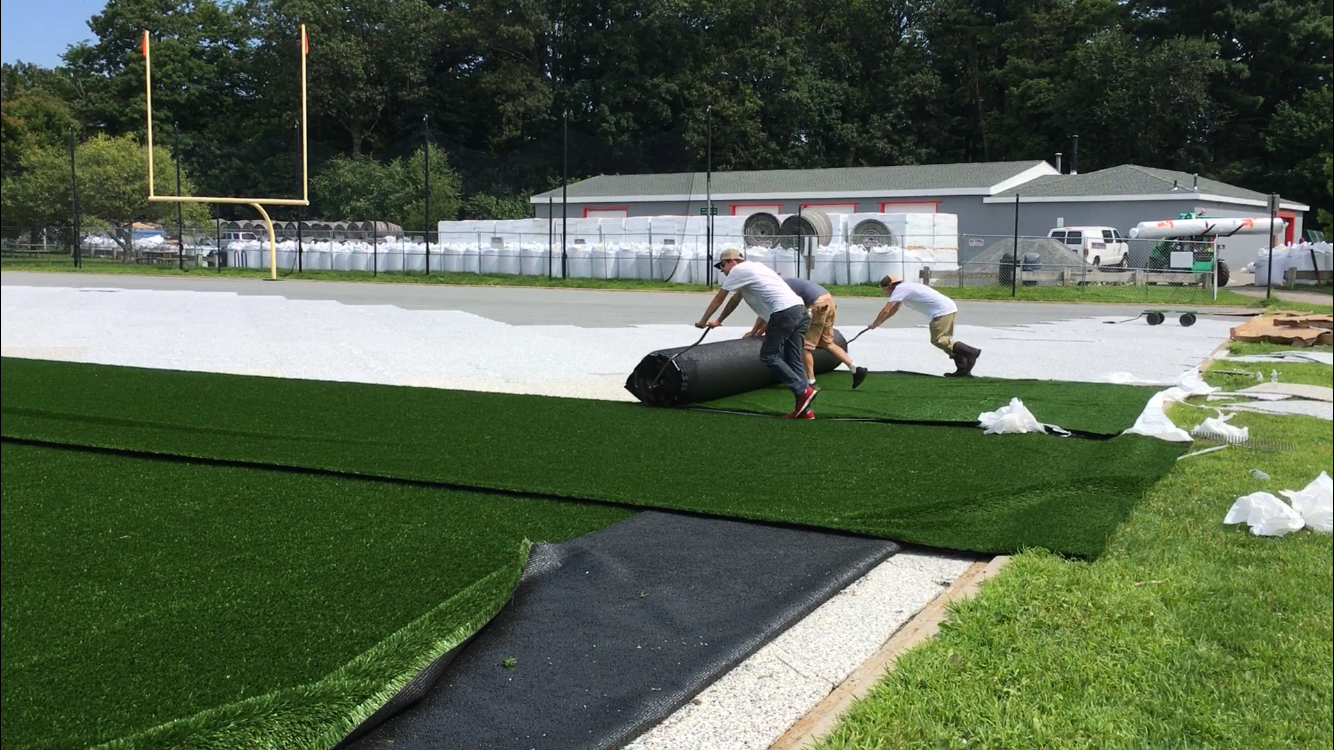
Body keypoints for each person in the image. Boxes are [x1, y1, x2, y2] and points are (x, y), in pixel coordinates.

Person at [696, 248, 819, 418]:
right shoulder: (756, 268)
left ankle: (802, 390)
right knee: (793, 358)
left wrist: (703, 320)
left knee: (769, 356)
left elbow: (720, 297)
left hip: (783, 312)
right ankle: (806, 410)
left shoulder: (738, 270)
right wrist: (718, 320)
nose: (722, 270)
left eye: (722, 265)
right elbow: (734, 300)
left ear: (732, 261)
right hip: (800, 311)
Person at [745, 276, 868, 389]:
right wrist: (758, 331)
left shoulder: (777, 290)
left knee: (805, 347)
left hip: (817, 305)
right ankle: (855, 368)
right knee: (827, 342)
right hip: (829, 302)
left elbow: (770, 315)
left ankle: (810, 382)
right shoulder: (787, 282)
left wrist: (754, 332)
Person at [868, 275, 981, 376]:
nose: (885, 292)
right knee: (946, 341)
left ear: (890, 286)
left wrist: (874, 323)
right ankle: (963, 368)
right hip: (947, 308)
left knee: (938, 340)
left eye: (885, 289)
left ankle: (971, 352)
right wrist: (878, 324)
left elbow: (886, 310)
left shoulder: (900, 289)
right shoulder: (906, 287)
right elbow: (894, 310)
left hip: (941, 312)